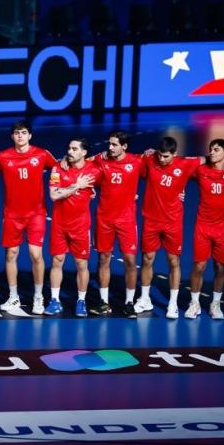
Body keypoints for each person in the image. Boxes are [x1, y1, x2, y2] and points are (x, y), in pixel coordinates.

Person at [0, 121, 57, 314]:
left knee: (36, 255)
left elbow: (61, 169)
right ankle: (13, 297)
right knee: (11, 255)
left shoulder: (42, 154)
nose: (20, 136)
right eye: (17, 133)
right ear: (12, 136)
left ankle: (38, 296)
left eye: (24, 133)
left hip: (36, 214)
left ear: (30, 136)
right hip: (12, 215)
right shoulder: (3, 157)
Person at [137, 137, 203, 318]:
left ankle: (172, 304)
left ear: (174, 154)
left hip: (173, 222)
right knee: (147, 259)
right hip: (150, 220)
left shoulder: (185, 164)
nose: (162, 159)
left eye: (166, 156)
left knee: (173, 261)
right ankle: (144, 299)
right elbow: (128, 159)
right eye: (160, 155)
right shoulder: (150, 159)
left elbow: (206, 159)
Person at [90, 131, 143, 318]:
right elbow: (82, 162)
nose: (110, 148)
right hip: (104, 219)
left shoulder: (137, 162)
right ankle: (104, 301)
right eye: (109, 144)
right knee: (103, 259)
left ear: (124, 147)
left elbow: (160, 170)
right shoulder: (101, 160)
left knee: (130, 260)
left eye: (114, 145)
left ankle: (129, 302)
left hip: (127, 220)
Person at [47, 138, 101, 317]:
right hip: (59, 225)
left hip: (81, 226)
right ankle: (54, 300)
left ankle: (81, 301)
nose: (70, 151)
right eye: (68, 148)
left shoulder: (93, 171)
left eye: (74, 149)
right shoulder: (58, 169)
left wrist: (131, 195)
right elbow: (54, 195)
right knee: (57, 262)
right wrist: (76, 186)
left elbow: (112, 182)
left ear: (84, 153)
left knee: (81, 264)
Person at [186, 139, 224, 320]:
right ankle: (194, 303)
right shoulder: (201, 170)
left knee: (220, 267)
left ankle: (215, 304)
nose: (212, 152)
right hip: (203, 226)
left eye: (216, 150)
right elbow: (181, 166)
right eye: (210, 149)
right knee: (199, 265)